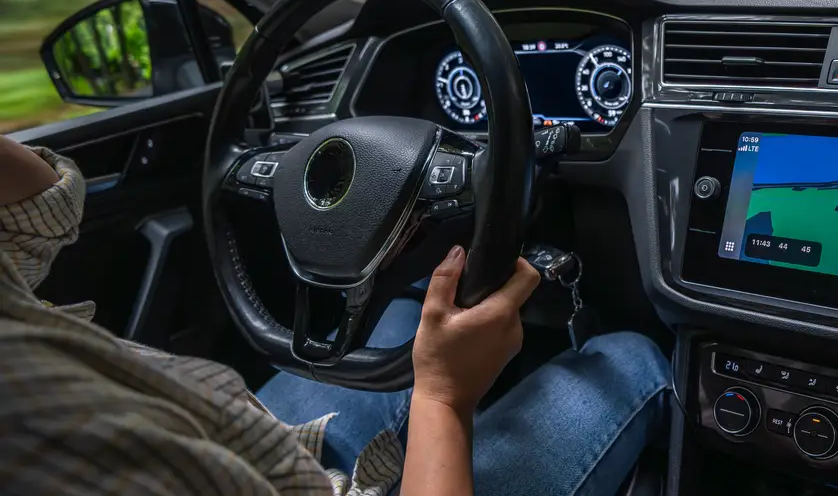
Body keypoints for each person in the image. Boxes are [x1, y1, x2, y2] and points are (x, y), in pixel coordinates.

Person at [0, 134, 670, 496]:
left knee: (403, 309)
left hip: (277, 450)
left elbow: (36, 223)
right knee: (629, 357)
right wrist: (442, 397)